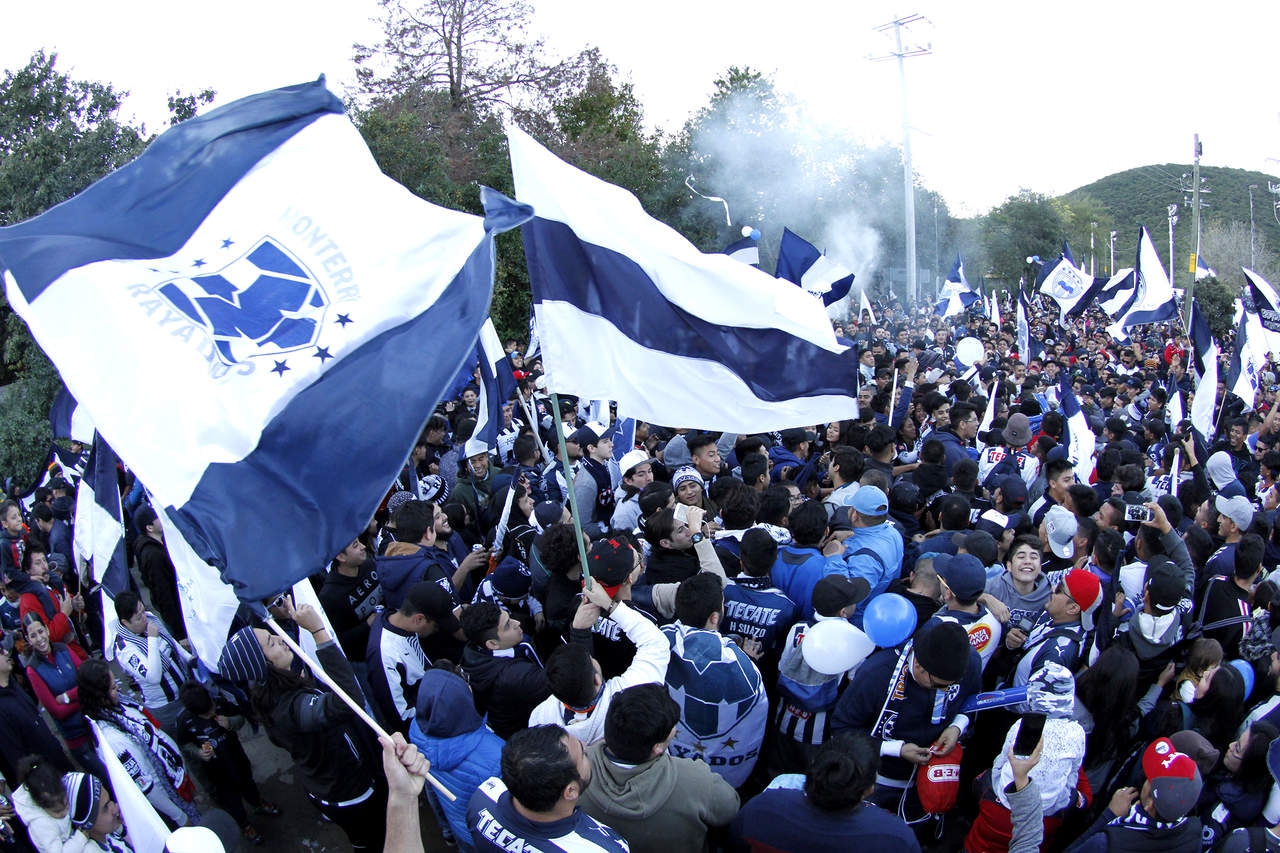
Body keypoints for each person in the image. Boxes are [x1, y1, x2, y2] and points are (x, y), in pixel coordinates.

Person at [238, 601, 386, 851]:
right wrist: (318, 633)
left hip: (336, 780)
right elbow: (349, 702)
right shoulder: (291, 708)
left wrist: (287, 619)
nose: (280, 639)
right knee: (377, 841)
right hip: (349, 792)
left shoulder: (270, 692)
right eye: (271, 643)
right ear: (265, 667)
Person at [830, 620, 981, 810]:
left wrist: (957, 726)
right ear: (917, 664)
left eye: (952, 686)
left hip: (933, 778)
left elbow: (972, 700)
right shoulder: (876, 674)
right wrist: (896, 749)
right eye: (939, 686)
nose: (946, 691)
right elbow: (842, 728)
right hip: (876, 779)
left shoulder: (970, 662)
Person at [577, 684, 739, 853]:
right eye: (673, 728)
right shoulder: (697, 781)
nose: (675, 730)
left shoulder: (572, 773)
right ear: (658, 747)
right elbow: (730, 807)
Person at [528, 577, 669, 745]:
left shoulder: (541, 718)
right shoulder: (630, 697)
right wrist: (610, 606)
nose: (592, 657)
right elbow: (655, 642)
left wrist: (579, 631)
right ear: (596, 680)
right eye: (590, 658)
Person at [729, 731, 921, 851]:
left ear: (813, 767)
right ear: (870, 788)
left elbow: (734, 843)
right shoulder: (896, 838)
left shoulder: (763, 807)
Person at [662, 572, 769, 787]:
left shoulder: (660, 643)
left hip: (672, 771)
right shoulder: (743, 669)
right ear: (714, 617)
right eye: (722, 603)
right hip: (726, 781)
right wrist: (747, 660)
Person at [466, 725, 630, 853]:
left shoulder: (484, 797)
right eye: (583, 754)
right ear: (570, 791)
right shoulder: (604, 848)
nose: (585, 745)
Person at [75, 660, 199, 827]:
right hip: (171, 801)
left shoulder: (117, 706)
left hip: (175, 781)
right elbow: (146, 785)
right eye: (113, 688)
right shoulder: (113, 740)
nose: (117, 689)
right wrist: (180, 817)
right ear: (100, 696)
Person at [407, 667, 504, 852]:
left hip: (458, 826)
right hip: (487, 838)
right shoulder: (496, 752)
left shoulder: (417, 730)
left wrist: (446, 829)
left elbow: (431, 788)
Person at [175, 680, 276, 846]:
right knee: (231, 801)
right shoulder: (184, 721)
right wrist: (199, 753)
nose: (212, 713)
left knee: (248, 783)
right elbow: (185, 744)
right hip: (216, 772)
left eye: (212, 709)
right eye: (206, 714)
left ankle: (258, 803)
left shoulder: (220, 703)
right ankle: (244, 825)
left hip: (237, 758)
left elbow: (241, 718)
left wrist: (231, 722)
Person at [1062, 737, 1203, 852]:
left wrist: (1108, 815)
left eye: (1149, 779)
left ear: (1150, 804)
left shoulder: (1107, 843)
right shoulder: (1194, 833)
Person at [366, 581, 460, 734]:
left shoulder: (396, 617)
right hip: (429, 730)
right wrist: (445, 708)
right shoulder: (386, 656)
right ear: (419, 619)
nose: (437, 630)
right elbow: (401, 717)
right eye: (436, 625)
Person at [20, 614, 103, 782]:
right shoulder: (32, 670)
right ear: (28, 640)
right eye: (33, 636)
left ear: (47, 630)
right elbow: (57, 711)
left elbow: (89, 679)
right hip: (77, 738)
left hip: (97, 722)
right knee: (104, 779)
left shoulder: (63, 649)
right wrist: (84, 695)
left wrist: (67, 696)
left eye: (40, 631)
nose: (39, 639)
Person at [459, 602, 550, 741]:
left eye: (510, 618)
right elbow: (562, 686)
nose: (517, 623)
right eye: (507, 625)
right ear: (492, 644)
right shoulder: (516, 676)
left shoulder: (472, 652)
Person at [109, 591, 193, 735]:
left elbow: (170, 641)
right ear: (125, 622)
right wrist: (152, 639)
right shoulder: (124, 648)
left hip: (187, 691)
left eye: (143, 610)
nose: (144, 617)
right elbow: (153, 676)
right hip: (166, 707)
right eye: (138, 617)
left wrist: (190, 659)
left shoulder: (149, 618)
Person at [130, 507, 186, 643]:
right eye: (157, 517)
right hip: (179, 618)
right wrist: (180, 634)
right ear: (149, 527)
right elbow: (163, 595)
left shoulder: (157, 546)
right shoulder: (153, 556)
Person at [11, 755, 82, 853]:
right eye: (57, 811)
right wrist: (81, 837)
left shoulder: (64, 786)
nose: (63, 813)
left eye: (66, 805)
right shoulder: (41, 824)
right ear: (39, 804)